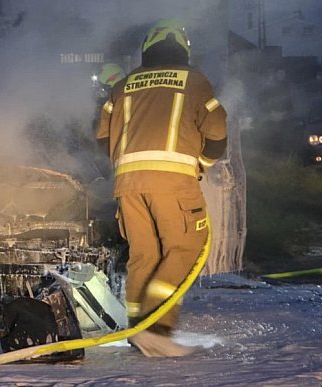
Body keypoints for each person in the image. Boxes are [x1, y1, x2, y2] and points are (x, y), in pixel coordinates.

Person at [96, 19, 227, 357]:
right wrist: (200, 164)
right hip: (173, 181)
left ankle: (138, 331)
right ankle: (155, 328)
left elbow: (102, 138)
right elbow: (217, 134)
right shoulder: (195, 81)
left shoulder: (122, 86)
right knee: (186, 248)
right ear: (183, 49)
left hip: (127, 184)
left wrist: (127, 164)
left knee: (144, 255)